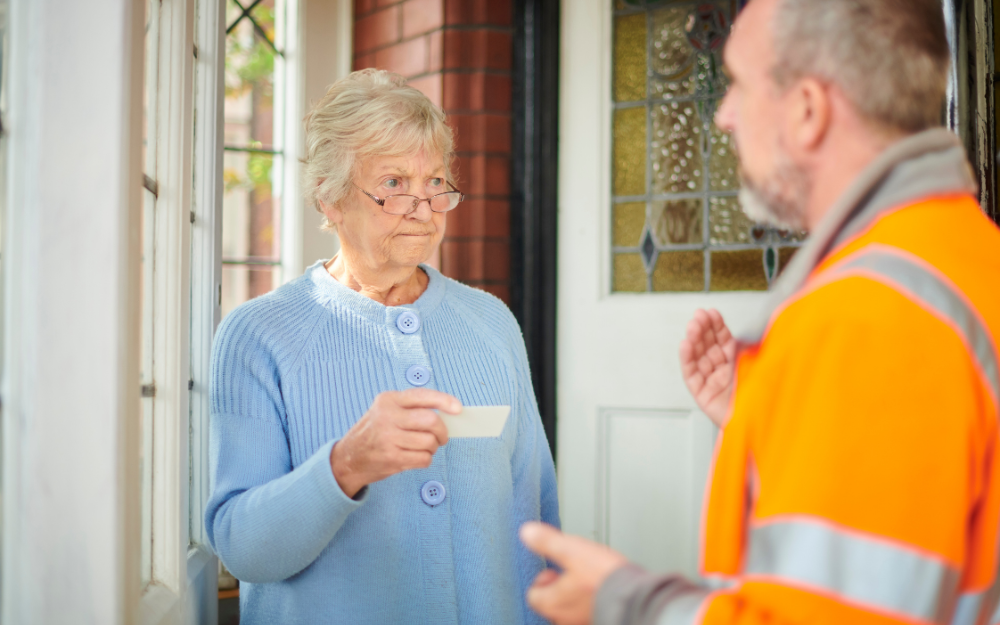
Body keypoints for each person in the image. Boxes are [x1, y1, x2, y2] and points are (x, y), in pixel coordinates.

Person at [519, 0, 1000, 623]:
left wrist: (628, 604)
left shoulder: (861, 319)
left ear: (806, 110)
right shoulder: (964, 258)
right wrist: (766, 414)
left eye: (739, 84)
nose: (721, 116)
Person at [205, 69, 559, 624]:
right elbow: (242, 547)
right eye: (394, 183)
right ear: (331, 197)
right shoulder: (259, 336)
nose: (422, 208)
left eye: (435, 182)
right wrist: (344, 467)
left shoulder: (492, 323)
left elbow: (535, 522)